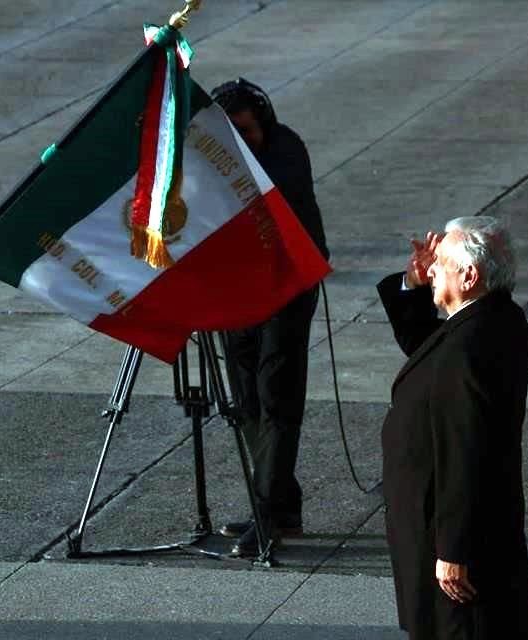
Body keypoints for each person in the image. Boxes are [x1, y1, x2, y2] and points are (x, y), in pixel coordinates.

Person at [377, 216, 528, 639]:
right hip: (470, 526)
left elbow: (464, 451)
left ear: (468, 275)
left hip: (449, 533)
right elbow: (426, 350)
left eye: (441, 264)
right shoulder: (495, 319)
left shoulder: (467, 348)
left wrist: (453, 550)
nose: (432, 269)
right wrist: (414, 285)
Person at [209, 78, 329, 555]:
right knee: (247, 401)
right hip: (238, 290)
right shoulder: (217, 153)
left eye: (245, 131)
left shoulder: (286, 149)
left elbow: (265, 198)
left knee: (275, 396)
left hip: (287, 287)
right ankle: (282, 503)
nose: (239, 142)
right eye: (228, 134)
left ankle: (267, 515)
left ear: (264, 122)